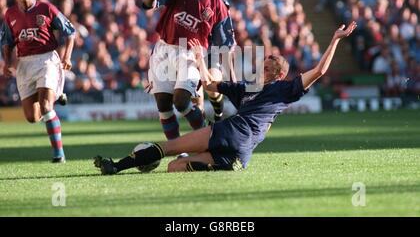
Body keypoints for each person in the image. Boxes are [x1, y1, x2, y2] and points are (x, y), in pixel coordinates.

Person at [93, 22, 357, 174]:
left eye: (266, 68)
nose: (260, 70)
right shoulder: (246, 88)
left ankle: (116, 166)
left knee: (169, 148)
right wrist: (200, 61)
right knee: (174, 168)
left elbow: (320, 70)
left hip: (230, 130)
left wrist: (335, 39)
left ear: (278, 75)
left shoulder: (285, 89)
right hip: (243, 151)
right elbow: (210, 84)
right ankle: (224, 166)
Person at [142, 0, 235, 141]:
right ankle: (179, 150)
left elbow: (225, 45)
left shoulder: (219, 6)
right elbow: (147, 3)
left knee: (181, 100)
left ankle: (207, 136)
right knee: (163, 104)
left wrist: (227, 77)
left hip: (191, 53)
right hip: (164, 48)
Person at [0, 0, 75, 163]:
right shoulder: (10, 15)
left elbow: (70, 32)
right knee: (32, 117)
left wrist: (67, 57)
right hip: (24, 63)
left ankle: (59, 155)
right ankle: (57, 95)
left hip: (46, 59)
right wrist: (6, 63)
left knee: (45, 106)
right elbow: (7, 42)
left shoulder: (47, 9)